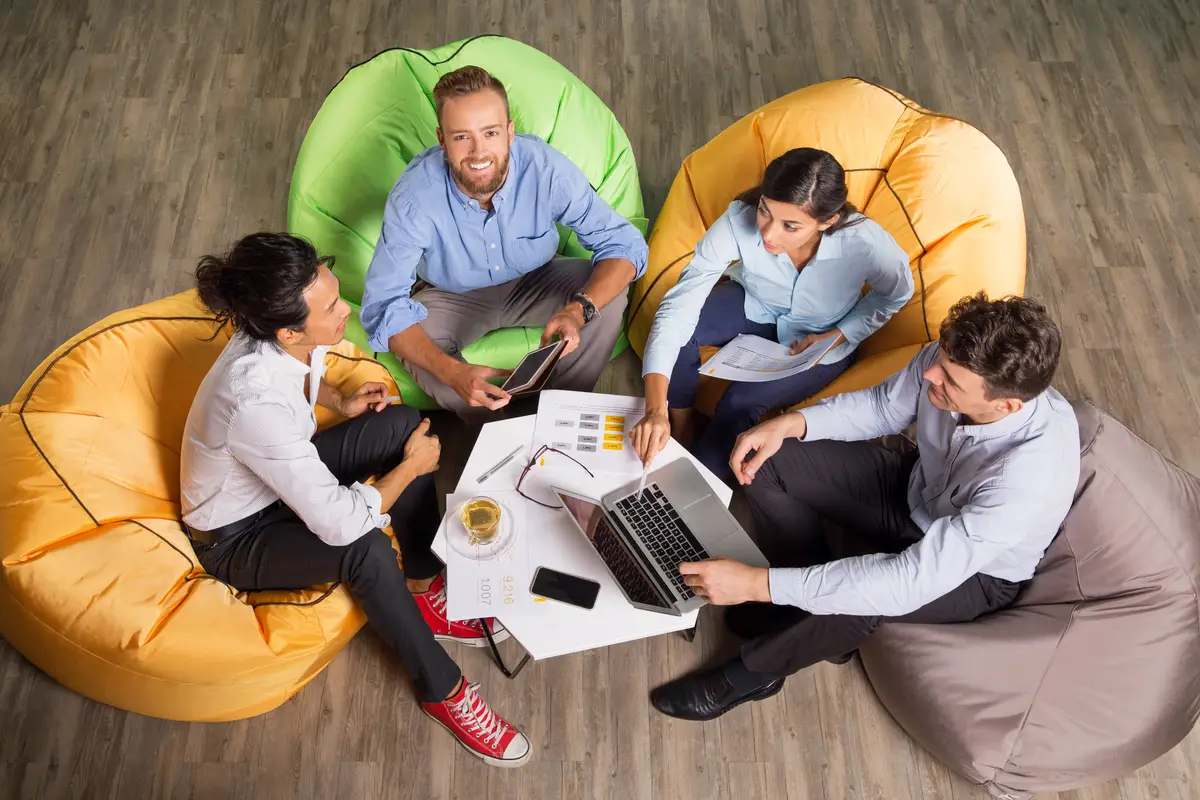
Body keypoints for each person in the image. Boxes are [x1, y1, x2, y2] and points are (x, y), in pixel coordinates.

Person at [180, 233, 531, 767]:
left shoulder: (271, 337)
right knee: (364, 547)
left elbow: (300, 367)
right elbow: (342, 525)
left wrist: (339, 399)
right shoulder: (256, 404)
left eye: (337, 294)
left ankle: (422, 585)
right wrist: (413, 468)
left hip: (275, 480)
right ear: (289, 327)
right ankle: (444, 691)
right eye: (332, 308)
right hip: (240, 536)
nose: (347, 309)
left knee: (400, 422)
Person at [648, 293, 1080, 722]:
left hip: (976, 573)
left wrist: (757, 585)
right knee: (766, 459)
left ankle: (751, 675)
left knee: (870, 596)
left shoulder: (1026, 479)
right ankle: (800, 598)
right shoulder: (953, 360)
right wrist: (790, 424)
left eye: (949, 380)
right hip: (914, 490)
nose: (931, 373)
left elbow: (910, 581)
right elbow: (880, 407)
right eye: (939, 362)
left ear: (1004, 406)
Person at [361, 66, 649, 422]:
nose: (479, 152)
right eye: (462, 137)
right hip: (451, 294)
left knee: (609, 292)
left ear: (510, 132)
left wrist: (578, 309)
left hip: (538, 277)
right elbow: (384, 306)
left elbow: (623, 244)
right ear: (441, 139)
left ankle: (563, 413)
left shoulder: (545, 168)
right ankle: (498, 430)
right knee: (416, 343)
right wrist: (452, 373)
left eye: (491, 133)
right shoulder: (414, 197)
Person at [630, 148, 913, 482]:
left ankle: (692, 489)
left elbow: (896, 293)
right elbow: (678, 308)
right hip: (755, 303)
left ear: (827, 221)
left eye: (790, 226)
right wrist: (655, 409)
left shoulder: (865, 243)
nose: (767, 234)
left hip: (819, 341)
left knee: (740, 402)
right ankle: (681, 425)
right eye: (765, 211)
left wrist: (840, 333)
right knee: (680, 336)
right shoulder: (739, 219)